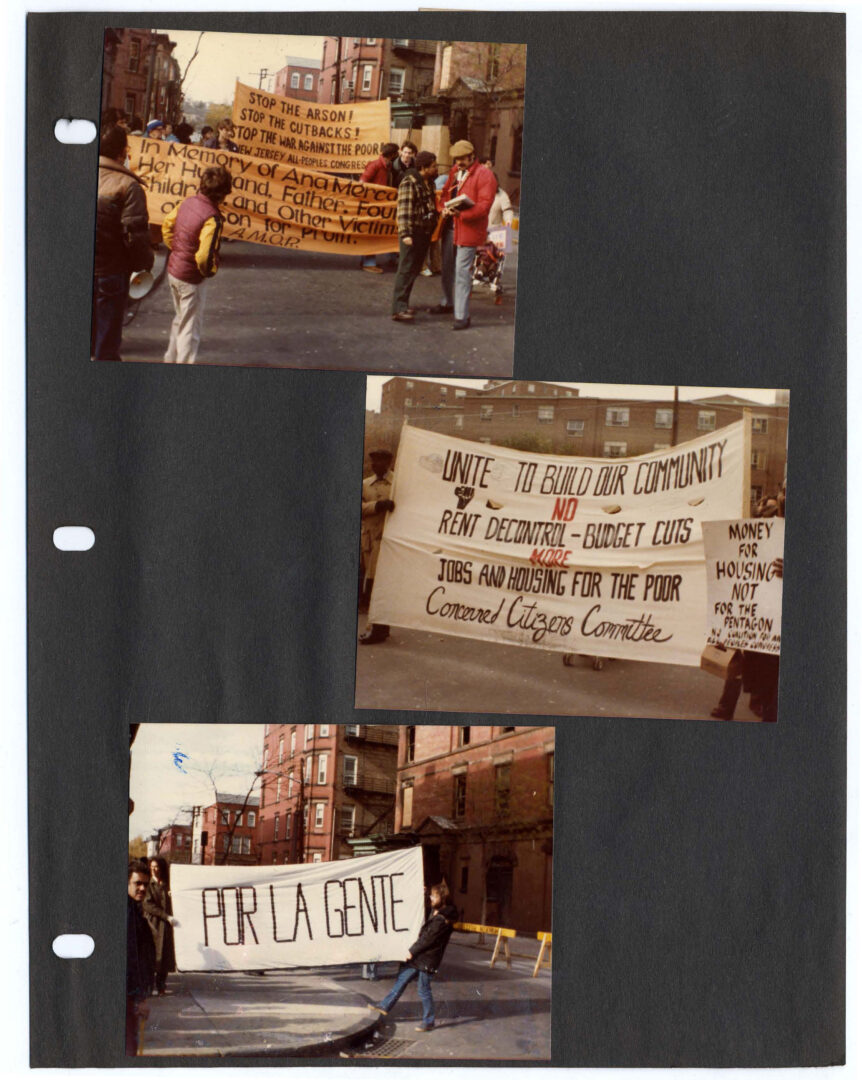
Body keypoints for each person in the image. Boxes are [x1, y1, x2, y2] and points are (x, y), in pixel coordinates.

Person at [93, 124, 154, 362]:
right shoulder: (129, 186)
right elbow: (135, 236)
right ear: (121, 153)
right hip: (111, 271)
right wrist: (144, 264)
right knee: (106, 344)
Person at [161, 164, 233, 364]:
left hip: (174, 271)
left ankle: (170, 359)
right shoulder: (213, 218)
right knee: (190, 328)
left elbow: (167, 225)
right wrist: (209, 270)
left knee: (180, 319)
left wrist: (177, 250)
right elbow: (204, 257)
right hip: (191, 278)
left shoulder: (187, 202)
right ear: (222, 194)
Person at [367, 882, 458, 1031]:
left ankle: (429, 1021)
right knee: (402, 979)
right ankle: (384, 1005)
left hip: (428, 959)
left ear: (442, 898)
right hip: (421, 957)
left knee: (423, 990)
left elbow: (427, 939)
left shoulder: (442, 919)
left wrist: (412, 951)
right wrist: (422, 894)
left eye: (433, 896)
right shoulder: (437, 912)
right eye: (431, 895)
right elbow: (424, 910)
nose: (431, 898)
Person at [426, 139, 496, 330]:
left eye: (462, 159)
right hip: (451, 226)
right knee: (447, 268)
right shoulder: (455, 171)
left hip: (468, 230)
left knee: (462, 272)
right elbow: (445, 194)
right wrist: (443, 208)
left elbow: (484, 206)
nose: (458, 163)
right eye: (456, 159)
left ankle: (462, 316)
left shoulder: (485, 175)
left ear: (472, 156)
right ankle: (447, 302)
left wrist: (461, 214)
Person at [391, 151, 439, 322]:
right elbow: (404, 210)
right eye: (433, 166)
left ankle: (403, 304)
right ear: (423, 167)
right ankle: (398, 309)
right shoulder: (409, 182)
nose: (436, 169)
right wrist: (405, 234)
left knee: (413, 270)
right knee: (405, 269)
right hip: (412, 234)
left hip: (424, 233)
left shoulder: (429, 182)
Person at [359, 449, 395, 645]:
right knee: (373, 586)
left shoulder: (398, 483)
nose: (375, 465)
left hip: (389, 542)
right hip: (371, 542)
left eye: (380, 461)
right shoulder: (365, 484)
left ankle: (380, 629)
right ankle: (379, 628)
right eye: (373, 462)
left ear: (388, 463)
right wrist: (377, 506)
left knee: (383, 587)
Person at [127, 860, 155, 1056]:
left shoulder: (135, 910)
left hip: (130, 997)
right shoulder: (129, 915)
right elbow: (133, 960)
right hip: (128, 998)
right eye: (138, 883)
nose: (143, 888)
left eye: (146, 884)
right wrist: (140, 999)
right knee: (128, 1047)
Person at [359, 143, 399, 273]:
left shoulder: (388, 166)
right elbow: (362, 182)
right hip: (372, 206)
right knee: (372, 234)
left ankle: (367, 261)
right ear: (392, 155)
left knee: (375, 232)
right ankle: (368, 263)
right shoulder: (375, 165)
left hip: (381, 206)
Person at [143, 857, 178, 996]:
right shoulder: (148, 884)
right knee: (151, 957)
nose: (154, 869)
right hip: (153, 924)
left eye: (156, 866)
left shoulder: (168, 884)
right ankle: (148, 987)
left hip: (166, 926)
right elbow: (148, 905)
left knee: (165, 958)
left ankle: (161, 986)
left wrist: (173, 896)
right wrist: (166, 916)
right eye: (152, 866)